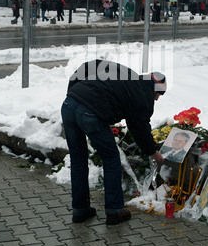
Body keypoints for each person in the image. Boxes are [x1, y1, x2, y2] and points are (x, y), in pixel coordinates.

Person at [61, 60, 167, 225]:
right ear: (156, 89)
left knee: (78, 160)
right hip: (91, 112)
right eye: (160, 94)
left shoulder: (127, 75)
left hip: (69, 105)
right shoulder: (143, 95)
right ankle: (115, 211)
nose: (158, 99)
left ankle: (80, 210)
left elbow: (88, 66)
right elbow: (139, 128)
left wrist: (74, 91)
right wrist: (154, 153)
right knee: (111, 160)